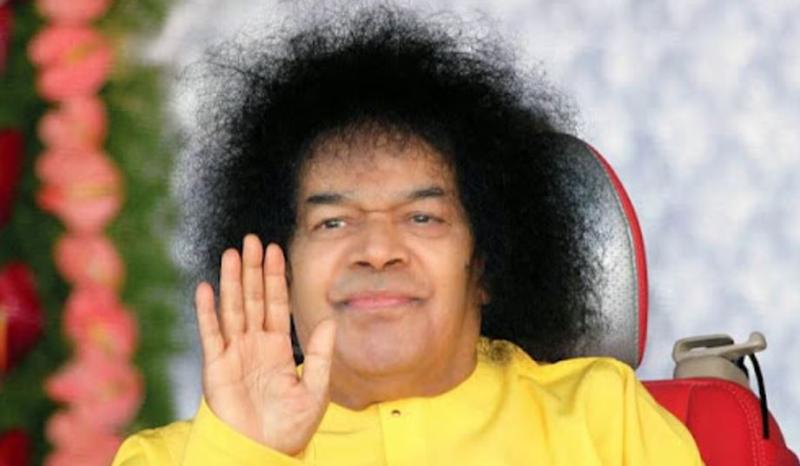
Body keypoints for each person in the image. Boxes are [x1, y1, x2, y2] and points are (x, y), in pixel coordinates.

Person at [112, 4, 704, 465]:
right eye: (333, 222)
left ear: (485, 264)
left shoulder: (606, 419)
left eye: (422, 217)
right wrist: (245, 453)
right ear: (282, 274)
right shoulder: (165, 458)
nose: (376, 251)